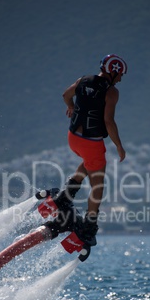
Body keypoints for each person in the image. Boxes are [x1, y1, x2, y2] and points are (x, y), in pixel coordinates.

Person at [57, 54, 127, 246]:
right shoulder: (112, 92)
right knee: (98, 185)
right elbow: (108, 121)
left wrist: (71, 107)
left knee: (90, 161)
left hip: (73, 138)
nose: (120, 79)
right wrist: (119, 145)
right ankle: (89, 225)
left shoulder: (83, 80)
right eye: (120, 75)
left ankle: (65, 196)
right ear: (112, 73)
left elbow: (65, 95)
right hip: (91, 142)